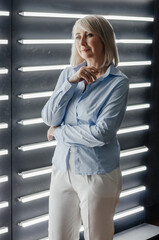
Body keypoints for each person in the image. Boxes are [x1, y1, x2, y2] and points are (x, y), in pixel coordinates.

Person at [41, 15, 129, 240]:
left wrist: (58, 132)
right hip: (62, 168)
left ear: (104, 39)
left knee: (97, 236)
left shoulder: (117, 83)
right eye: (77, 36)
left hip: (97, 173)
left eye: (89, 35)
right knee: (57, 236)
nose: (82, 42)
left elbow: (102, 133)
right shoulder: (68, 75)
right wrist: (70, 84)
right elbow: (49, 116)